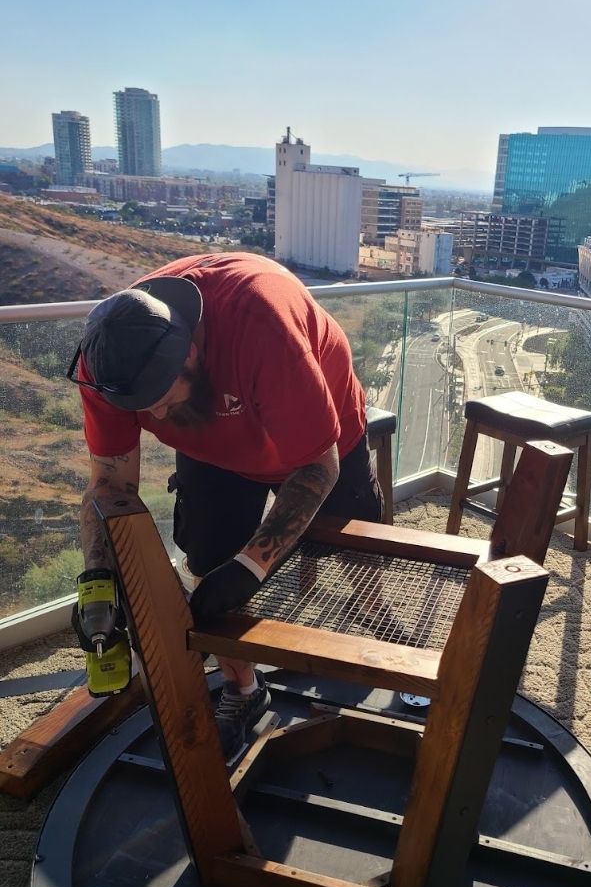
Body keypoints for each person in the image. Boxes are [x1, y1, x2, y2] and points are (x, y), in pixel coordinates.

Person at [69, 251, 384, 757]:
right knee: (206, 562)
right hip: (213, 447)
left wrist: (250, 568)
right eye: (141, 406)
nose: (152, 415)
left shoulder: (261, 322)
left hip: (321, 439)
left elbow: (317, 468)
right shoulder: (108, 361)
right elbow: (109, 483)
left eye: (162, 399)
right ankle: (243, 690)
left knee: (361, 548)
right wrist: (97, 583)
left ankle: (384, 628)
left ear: (189, 353)